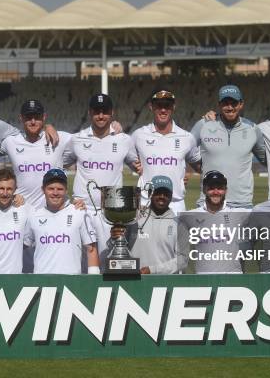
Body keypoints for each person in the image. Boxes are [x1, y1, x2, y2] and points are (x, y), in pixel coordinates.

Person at [63, 93, 139, 253]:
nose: (101, 115)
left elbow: (139, 167)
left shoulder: (124, 140)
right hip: (82, 210)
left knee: (108, 264)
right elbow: (59, 165)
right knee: (82, 265)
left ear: (112, 113)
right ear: (90, 112)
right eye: (96, 111)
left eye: (105, 111)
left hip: (112, 212)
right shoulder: (77, 139)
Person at [191, 84, 266, 208]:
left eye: (234, 103)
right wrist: (198, 167)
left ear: (241, 104)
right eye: (225, 103)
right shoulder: (204, 124)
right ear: (219, 104)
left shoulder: (252, 129)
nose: (230, 107)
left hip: (242, 204)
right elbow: (185, 150)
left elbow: (268, 160)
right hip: (208, 202)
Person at [132, 89, 201, 213]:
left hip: (175, 204)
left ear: (173, 107)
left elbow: (199, 165)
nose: (163, 110)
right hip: (145, 203)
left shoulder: (186, 137)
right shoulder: (138, 135)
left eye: (167, 106)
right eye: (159, 106)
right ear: (151, 107)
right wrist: (134, 166)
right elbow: (122, 155)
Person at [24, 169, 100, 275]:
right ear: (43, 190)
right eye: (51, 188)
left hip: (72, 282)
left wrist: (93, 280)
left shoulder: (79, 213)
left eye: (60, 189)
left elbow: (91, 248)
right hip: (42, 282)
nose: (55, 193)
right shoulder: (33, 216)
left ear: (66, 190)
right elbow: (22, 246)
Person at [0, 99, 73, 208]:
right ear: (21, 118)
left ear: (44, 117)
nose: (33, 121)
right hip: (22, 210)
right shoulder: (10, 142)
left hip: (53, 213)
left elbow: (90, 142)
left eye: (37, 117)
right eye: (28, 117)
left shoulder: (58, 138)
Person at [108, 175, 180, 274]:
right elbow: (117, 247)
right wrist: (114, 238)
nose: (162, 197)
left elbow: (182, 261)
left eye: (166, 194)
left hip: (164, 282)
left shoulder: (179, 223)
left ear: (171, 196)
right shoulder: (134, 217)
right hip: (133, 279)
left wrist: (152, 270)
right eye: (158, 192)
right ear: (150, 193)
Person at [183, 171, 250, 274]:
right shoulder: (190, 216)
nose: (215, 192)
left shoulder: (239, 214)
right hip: (203, 281)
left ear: (225, 190)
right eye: (211, 188)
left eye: (219, 188)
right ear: (204, 190)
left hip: (234, 280)